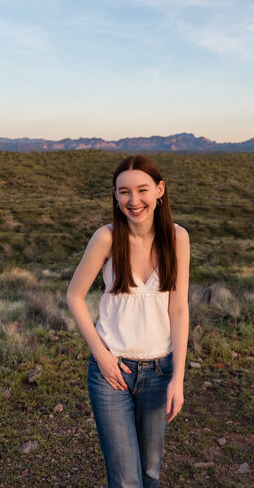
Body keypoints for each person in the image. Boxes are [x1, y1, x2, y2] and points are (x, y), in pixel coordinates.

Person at [67, 154, 190, 488]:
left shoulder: (178, 238)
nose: (133, 201)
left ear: (160, 190)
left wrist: (177, 378)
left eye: (142, 190)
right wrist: (102, 356)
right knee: (125, 481)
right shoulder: (106, 238)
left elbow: (179, 309)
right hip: (112, 374)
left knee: (150, 470)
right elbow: (74, 297)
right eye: (124, 192)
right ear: (115, 195)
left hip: (160, 372)